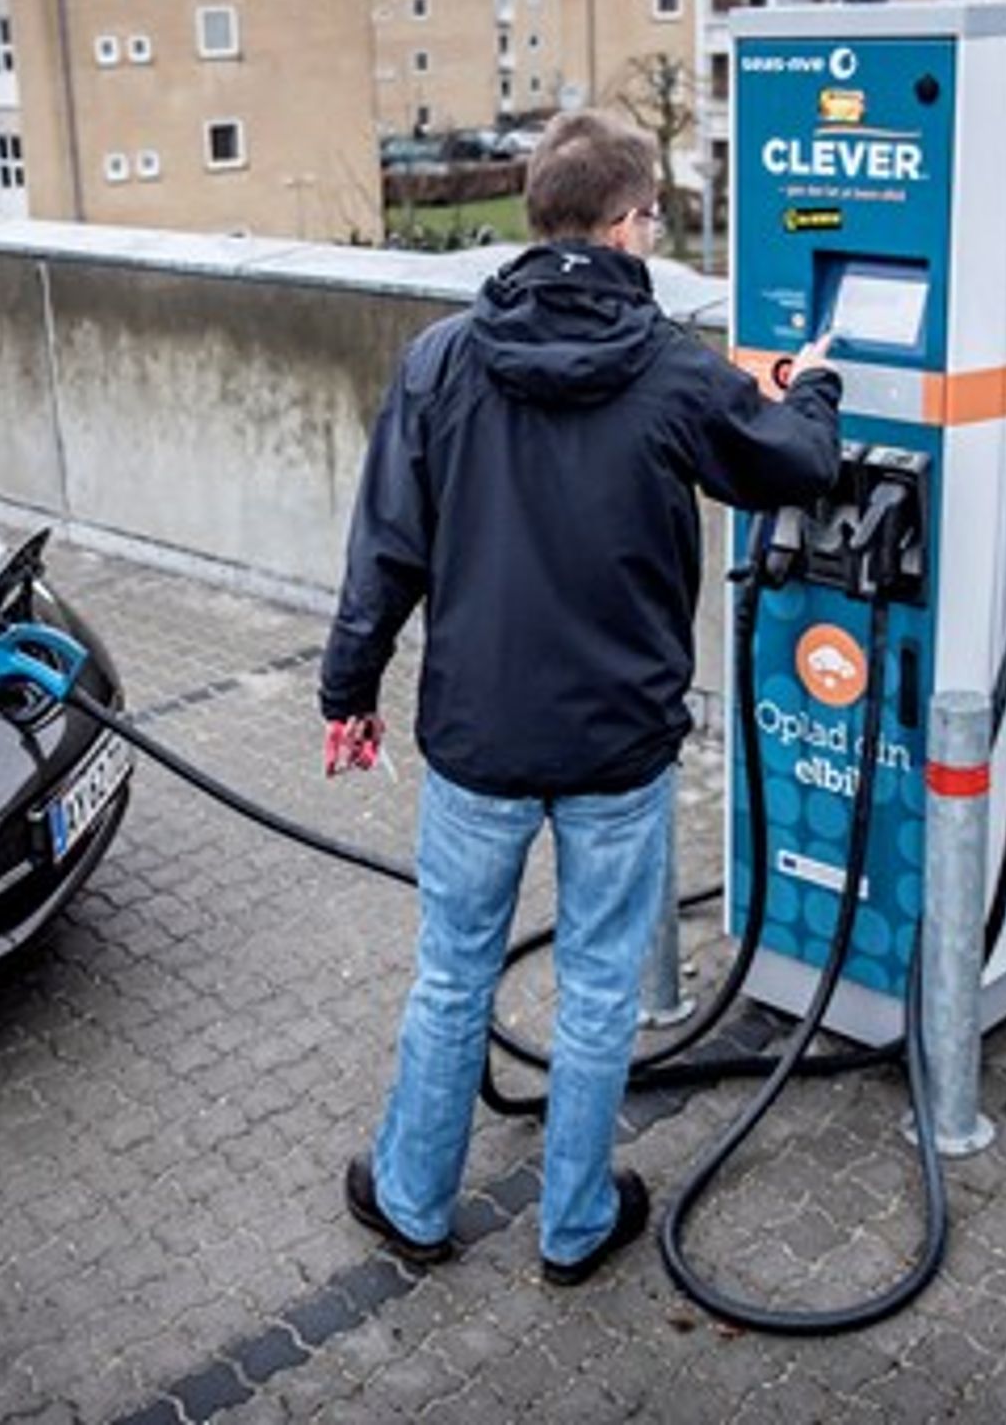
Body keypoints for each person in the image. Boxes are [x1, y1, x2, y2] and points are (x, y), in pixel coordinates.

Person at [320, 109, 845, 1287]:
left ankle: (411, 1203)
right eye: (653, 212)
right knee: (601, 987)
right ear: (621, 224)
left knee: (453, 973)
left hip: (475, 740)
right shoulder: (671, 373)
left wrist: (344, 692)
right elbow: (796, 466)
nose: (654, 230)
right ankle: (571, 1225)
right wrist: (815, 388)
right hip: (616, 748)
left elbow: (385, 554)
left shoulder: (443, 359)